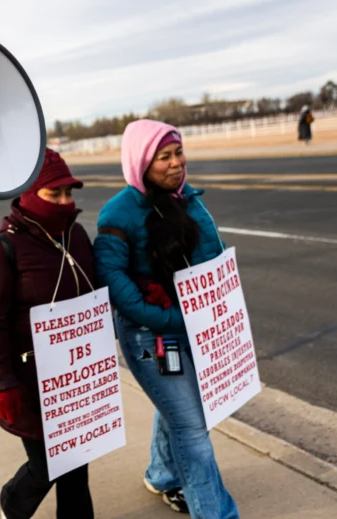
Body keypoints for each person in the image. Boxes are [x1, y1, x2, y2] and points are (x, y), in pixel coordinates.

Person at [93, 120, 238, 518]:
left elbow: (211, 252)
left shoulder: (188, 198)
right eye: (164, 157)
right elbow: (113, 281)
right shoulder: (118, 212)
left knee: (184, 408)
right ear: (141, 161)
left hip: (197, 323)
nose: (176, 163)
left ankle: (161, 474)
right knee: (192, 428)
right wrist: (170, 318)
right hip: (151, 334)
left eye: (179, 153)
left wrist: (224, 304)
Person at [0, 148, 95, 519]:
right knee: (47, 464)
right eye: (54, 193)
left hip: (75, 371)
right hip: (28, 374)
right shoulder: (3, 248)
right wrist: (1, 383)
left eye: (68, 193)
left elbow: (97, 288)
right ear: (29, 194)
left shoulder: (75, 235)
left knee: (77, 460)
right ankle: (13, 503)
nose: (64, 202)